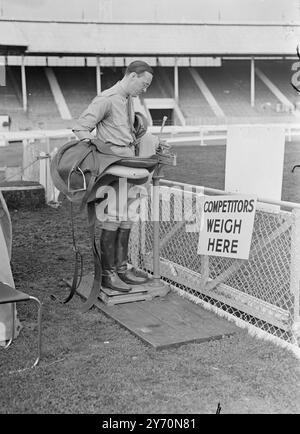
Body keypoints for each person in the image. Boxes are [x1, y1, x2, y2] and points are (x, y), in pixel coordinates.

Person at [72, 61, 158, 293]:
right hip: (114, 167)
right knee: (114, 217)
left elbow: (125, 132)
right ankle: (108, 275)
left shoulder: (129, 100)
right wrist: (100, 151)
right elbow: (81, 128)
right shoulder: (106, 98)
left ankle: (121, 270)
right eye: (144, 84)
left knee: (127, 217)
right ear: (131, 76)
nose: (145, 89)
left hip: (130, 164)